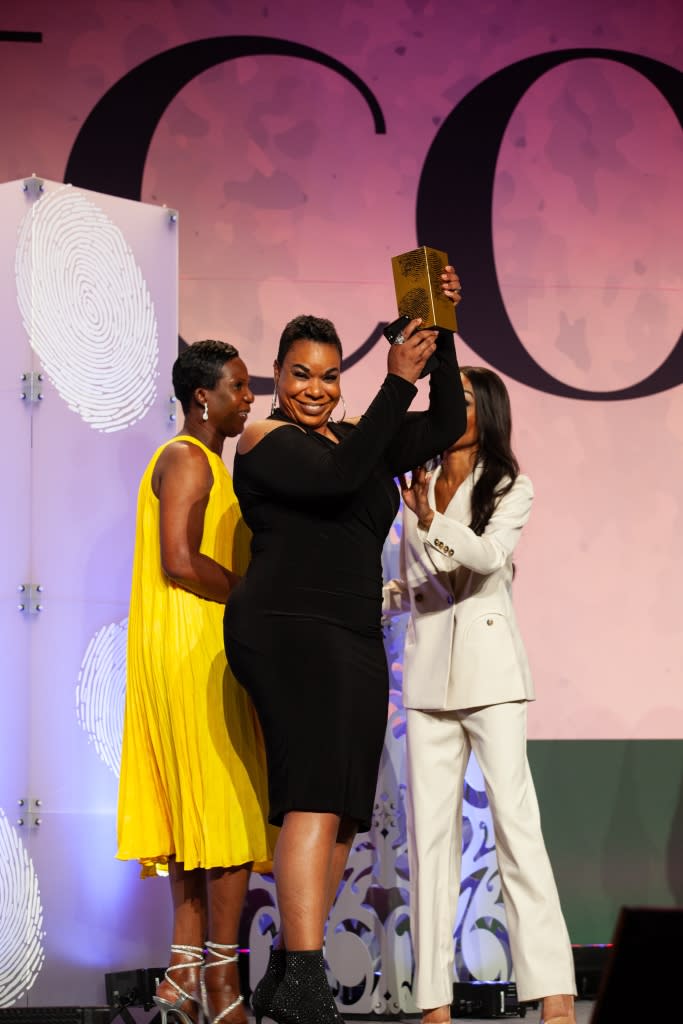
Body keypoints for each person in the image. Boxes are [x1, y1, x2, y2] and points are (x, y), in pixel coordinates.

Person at [223, 271, 466, 1024]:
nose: (316, 389)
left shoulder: (355, 438)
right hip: (288, 630)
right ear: (277, 373)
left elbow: (448, 416)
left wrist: (440, 325)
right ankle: (302, 979)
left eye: (330, 376)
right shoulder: (267, 440)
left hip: (356, 635)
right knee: (312, 797)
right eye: (300, 373)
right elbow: (333, 482)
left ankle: (295, 969)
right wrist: (393, 384)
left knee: (346, 812)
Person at [383, 366, 576, 1024]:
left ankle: (551, 989)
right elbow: (414, 579)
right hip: (427, 674)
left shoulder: (509, 485)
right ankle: (431, 1001)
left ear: (487, 410)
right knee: (428, 843)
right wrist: (377, 597)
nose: (448, 407)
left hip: (491, 676)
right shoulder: (417, 476)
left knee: (516, 830)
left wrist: (432, 520)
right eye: (445, 396)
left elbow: (489, 557)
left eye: (461, 398)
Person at [117, 340, 274, 1024]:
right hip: (194, 652)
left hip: (185, 646)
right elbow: (179, 561)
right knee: (228, 820)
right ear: (202, 397)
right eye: (238, 388)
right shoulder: (187, 457)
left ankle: (182, 980)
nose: (249, 399)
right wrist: (247, 592)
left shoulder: (198, 459)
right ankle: (221, 985)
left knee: (196, 824)